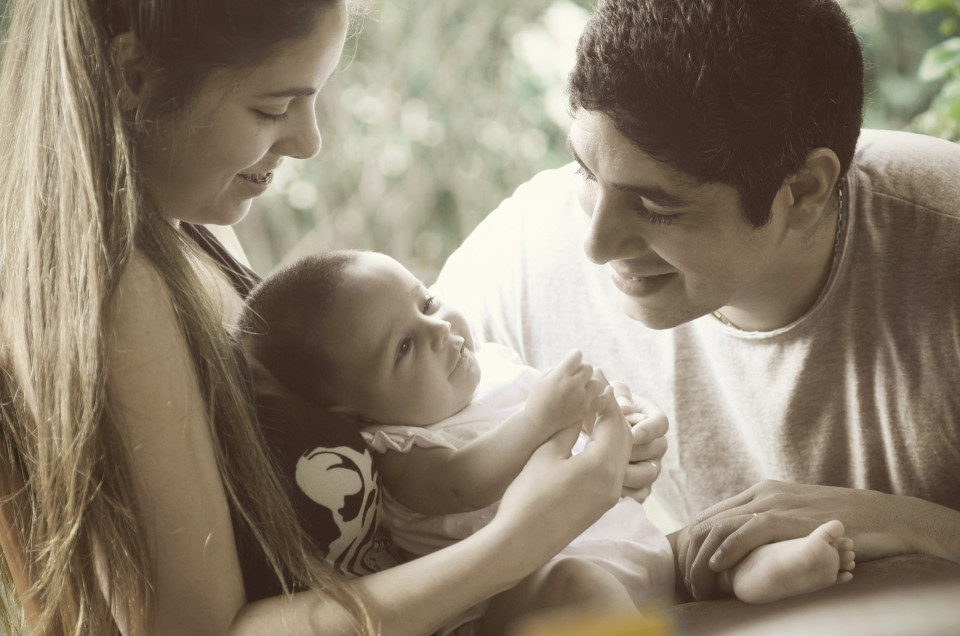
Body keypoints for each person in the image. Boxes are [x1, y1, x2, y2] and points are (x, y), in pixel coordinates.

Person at [0, 1, 642, 635]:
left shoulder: (189, 226)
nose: (309, 142)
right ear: (135, 75)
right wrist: (520, 539)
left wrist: (576, 462)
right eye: (272, 108)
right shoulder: (122, 295)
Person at [432, 0, 960, 607]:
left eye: (657, 207)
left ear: (803, 190)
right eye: (584, 171)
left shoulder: (944, 250)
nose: (596, 245)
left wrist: (910, 525)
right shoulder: (526, 255)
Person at [239, 248, 857, 634]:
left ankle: (759, 574)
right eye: (404, 347)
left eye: (427, 301)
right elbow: (464, 482)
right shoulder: (399, 449)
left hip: (639, 553)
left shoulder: (493, 368)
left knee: (712, 544)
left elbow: (581, 429)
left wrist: (621, 421)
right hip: (532, 591)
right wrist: (539, 419)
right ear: (351, 411)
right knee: (576, 586)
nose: (440, 330)